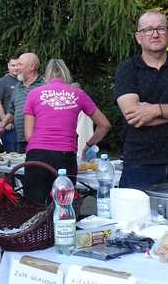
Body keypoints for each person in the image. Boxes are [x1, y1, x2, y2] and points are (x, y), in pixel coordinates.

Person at [114, 10, 168, 190]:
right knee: (136, 219)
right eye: (148, 30)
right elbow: (134, 116)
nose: (155, 34)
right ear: (139, 37)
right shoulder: (127, 69)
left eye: (161, 29)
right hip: (139, 164)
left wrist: (154, 110)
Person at [23, 59, 111, 205]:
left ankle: (37, 228)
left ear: (46, 76)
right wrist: (89, 144)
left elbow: (28, 136)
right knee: (64, 207)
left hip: (37, 155)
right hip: (65, 156)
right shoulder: (78, 94)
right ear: (67, 74)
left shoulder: (33, 94)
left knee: (33, 207)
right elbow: (105, 125)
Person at [3, 53, 45, 153]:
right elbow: (12, 111)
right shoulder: (17, 86)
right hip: (20, 139)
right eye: (16, 65)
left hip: (40, 141)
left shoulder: (44, 86)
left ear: (32, 67)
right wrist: (2, 124)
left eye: (20, 65)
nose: (17, 68)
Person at [0, 59, 19, 153]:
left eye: (18, 65)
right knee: (12, 156)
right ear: (8, 66)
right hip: (10, 128)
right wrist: (5, 122)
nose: (16, 68)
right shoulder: (2, 82)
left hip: (23, 127)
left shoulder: (23, 82)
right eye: (13, 65)